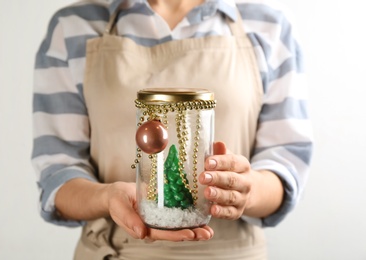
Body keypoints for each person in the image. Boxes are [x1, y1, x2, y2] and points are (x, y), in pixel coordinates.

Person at [32, 0, 313, 259]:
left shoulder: (269, 27)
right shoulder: (73, 26)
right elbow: (58, 170)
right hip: (117, 250)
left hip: (231, 252)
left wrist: (247, 190)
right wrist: (106, 197)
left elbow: (285, 161)